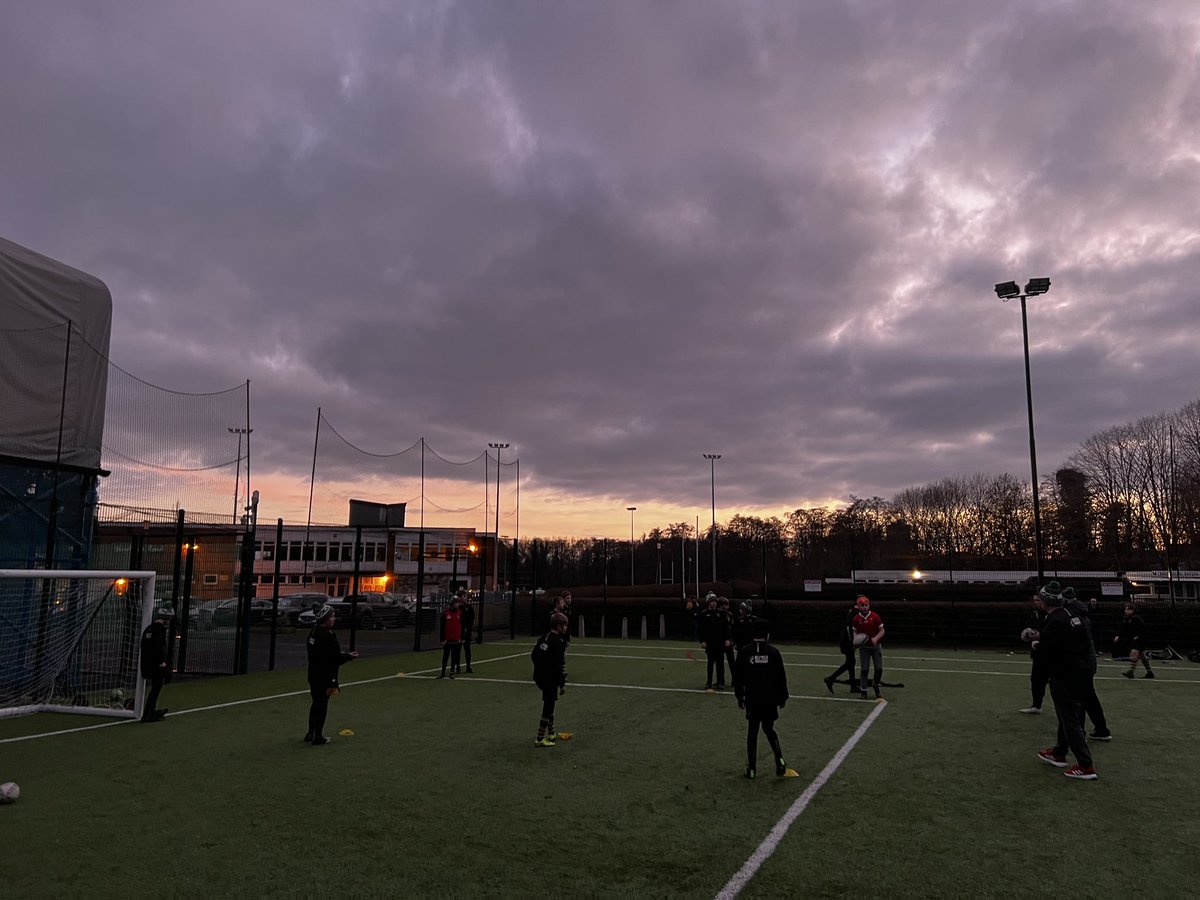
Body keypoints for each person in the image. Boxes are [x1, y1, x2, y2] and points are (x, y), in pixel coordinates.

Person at [1032, 585, 1098, 779]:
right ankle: (1059, 752)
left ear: (1044, 601)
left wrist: (1037, 645)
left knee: (1070, 718)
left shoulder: (1054, 620)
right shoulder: (1071, 616)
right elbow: (1080, 643)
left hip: (1065, 674)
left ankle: (1085, 765)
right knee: (1066, 715)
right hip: (1080, 671)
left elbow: (1050, 649)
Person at [734, 617, 790, 780]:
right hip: (769, 699)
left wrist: (739, 696)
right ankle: (779, 759)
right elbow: (781, 677)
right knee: (768, 728)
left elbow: (738, 677)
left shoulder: (744, 652)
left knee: (752, 732)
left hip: (753, 698)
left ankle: (751, 768)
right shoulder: (773, 652)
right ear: (767, 634)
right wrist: (783, 697)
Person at [1060, 586, 1112, 741]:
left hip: (1082, 662)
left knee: (1079, 697)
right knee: (1089, 697)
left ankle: (1080, 730)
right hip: (1088, 661)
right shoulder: (1082, 614)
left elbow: (1075, 641)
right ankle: (1101, 729)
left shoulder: (1074, 617)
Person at [305, 604, 358, 745]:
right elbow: (335, 658)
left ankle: (311, 733)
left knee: (316, 703)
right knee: (322, 705)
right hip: (326, 676)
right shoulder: (328, 636)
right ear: (325, 619)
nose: (334, 619)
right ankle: (318, 736)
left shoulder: (314, 632)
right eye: (332, 617)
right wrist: (348, 657)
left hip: (313, 674)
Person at [532, 612, 569, 746]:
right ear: (559, 626)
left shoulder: (544, 637)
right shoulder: (558, 642)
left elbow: (534, 655)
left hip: (539, 676)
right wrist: (562, 684)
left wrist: (540, 668)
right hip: (550, 678)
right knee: (549, 705)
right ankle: (540, 738)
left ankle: (551, 732)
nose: (565, 629)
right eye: (564, 626)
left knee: (549, 700)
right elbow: (558, 665)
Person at [139, 606, 172, 722]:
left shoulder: (149, 628)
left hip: (146, 664)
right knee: (156, 688)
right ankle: (148, 713)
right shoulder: (160, 629)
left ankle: (150, 711)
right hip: (156, 665)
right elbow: (158, 647)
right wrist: (161, 662)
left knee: (155, 688)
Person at [1019, 592, 1050, 714]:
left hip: (1049, 652)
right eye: (1035, 600)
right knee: (1036, 679)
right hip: (1038, 652)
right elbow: (1031, 628)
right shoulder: (1034, 613)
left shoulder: (1049, 614)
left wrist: (1040, 637)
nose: (1036, 603)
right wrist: (1028, 633)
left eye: (1038, 600)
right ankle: (1037, 705)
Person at [851, 595, 885, 700]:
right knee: (864, 670)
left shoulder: (874, 616)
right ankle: (863, 691)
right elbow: (855, 632)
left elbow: (882, 630)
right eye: (862, 605)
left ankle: (876, 685)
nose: (865, 607)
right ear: (858, 607)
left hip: (875, 647)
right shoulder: (856, 619)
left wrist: (876, 638)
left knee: (879, 669)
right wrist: (856, 640)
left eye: (866, 605)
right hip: (864, 648)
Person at [824, 601, 859, 694]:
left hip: (846, 640)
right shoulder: (855, 613)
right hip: (847, 642)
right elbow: (849, 629)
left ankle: (853, 686)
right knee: (850, 663)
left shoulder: (852, 611)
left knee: (850, 663)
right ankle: (831, 678)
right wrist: (853, 643)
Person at [698, 594, 731, 690]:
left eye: (715, 601)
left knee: (720, 664)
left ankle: (720, 682)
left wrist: (727, 639)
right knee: (710, 663)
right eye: (712, 601)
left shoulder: (721, 613)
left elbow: (726, 628)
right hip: (710, 643)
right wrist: (702, 641)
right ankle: (709, 682)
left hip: (720, 643)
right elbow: (701, 629)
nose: (713, 603)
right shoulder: (704, 614)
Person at [1115, 603, 1154, 679]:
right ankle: (1149, 672)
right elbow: (1123, 629)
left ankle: (1131, 671)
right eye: (1125, 609)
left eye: (1127, 609)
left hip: (1140, 639)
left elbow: (1143, 628)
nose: (1125, 611)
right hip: (1136, 639)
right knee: (1142, 656)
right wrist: (1118, 636)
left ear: (1132, 610)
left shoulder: (1136, 618)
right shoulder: (1126, 618)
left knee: (1134, 654)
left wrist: (1138, 635)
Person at [440, 598, 463, 679]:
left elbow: (462, 626)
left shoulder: (460, 613)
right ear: (453, 604)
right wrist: (442, 639)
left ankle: (452, 672)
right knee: (445, 656)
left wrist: (461, 637)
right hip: (447, 639)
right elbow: (442, 627)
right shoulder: (446, 613)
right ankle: (443, 672)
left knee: (454, 656)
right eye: (457, 603)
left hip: (456, 639)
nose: (458, 605)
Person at [457, 589, 475, 674]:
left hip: (466, 632)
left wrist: (468, 629)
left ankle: (468, 666)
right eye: (464, 596)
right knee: (457, 650)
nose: (466, 598)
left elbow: (472, 619)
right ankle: (457, 667)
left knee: (467, 649)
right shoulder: (457, 608)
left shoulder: (469, 607)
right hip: (458, 632)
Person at [718, 597, 738, 674]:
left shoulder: (729, 614)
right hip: (720, 640)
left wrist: (732, 640)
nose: (727, 606)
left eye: (727, 604)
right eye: (725, 605)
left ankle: (735, 680)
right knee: (720, 661)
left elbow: (733, 628)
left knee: (731, 661)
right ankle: (721, 681)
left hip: (728, 640)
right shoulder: (718, 614)